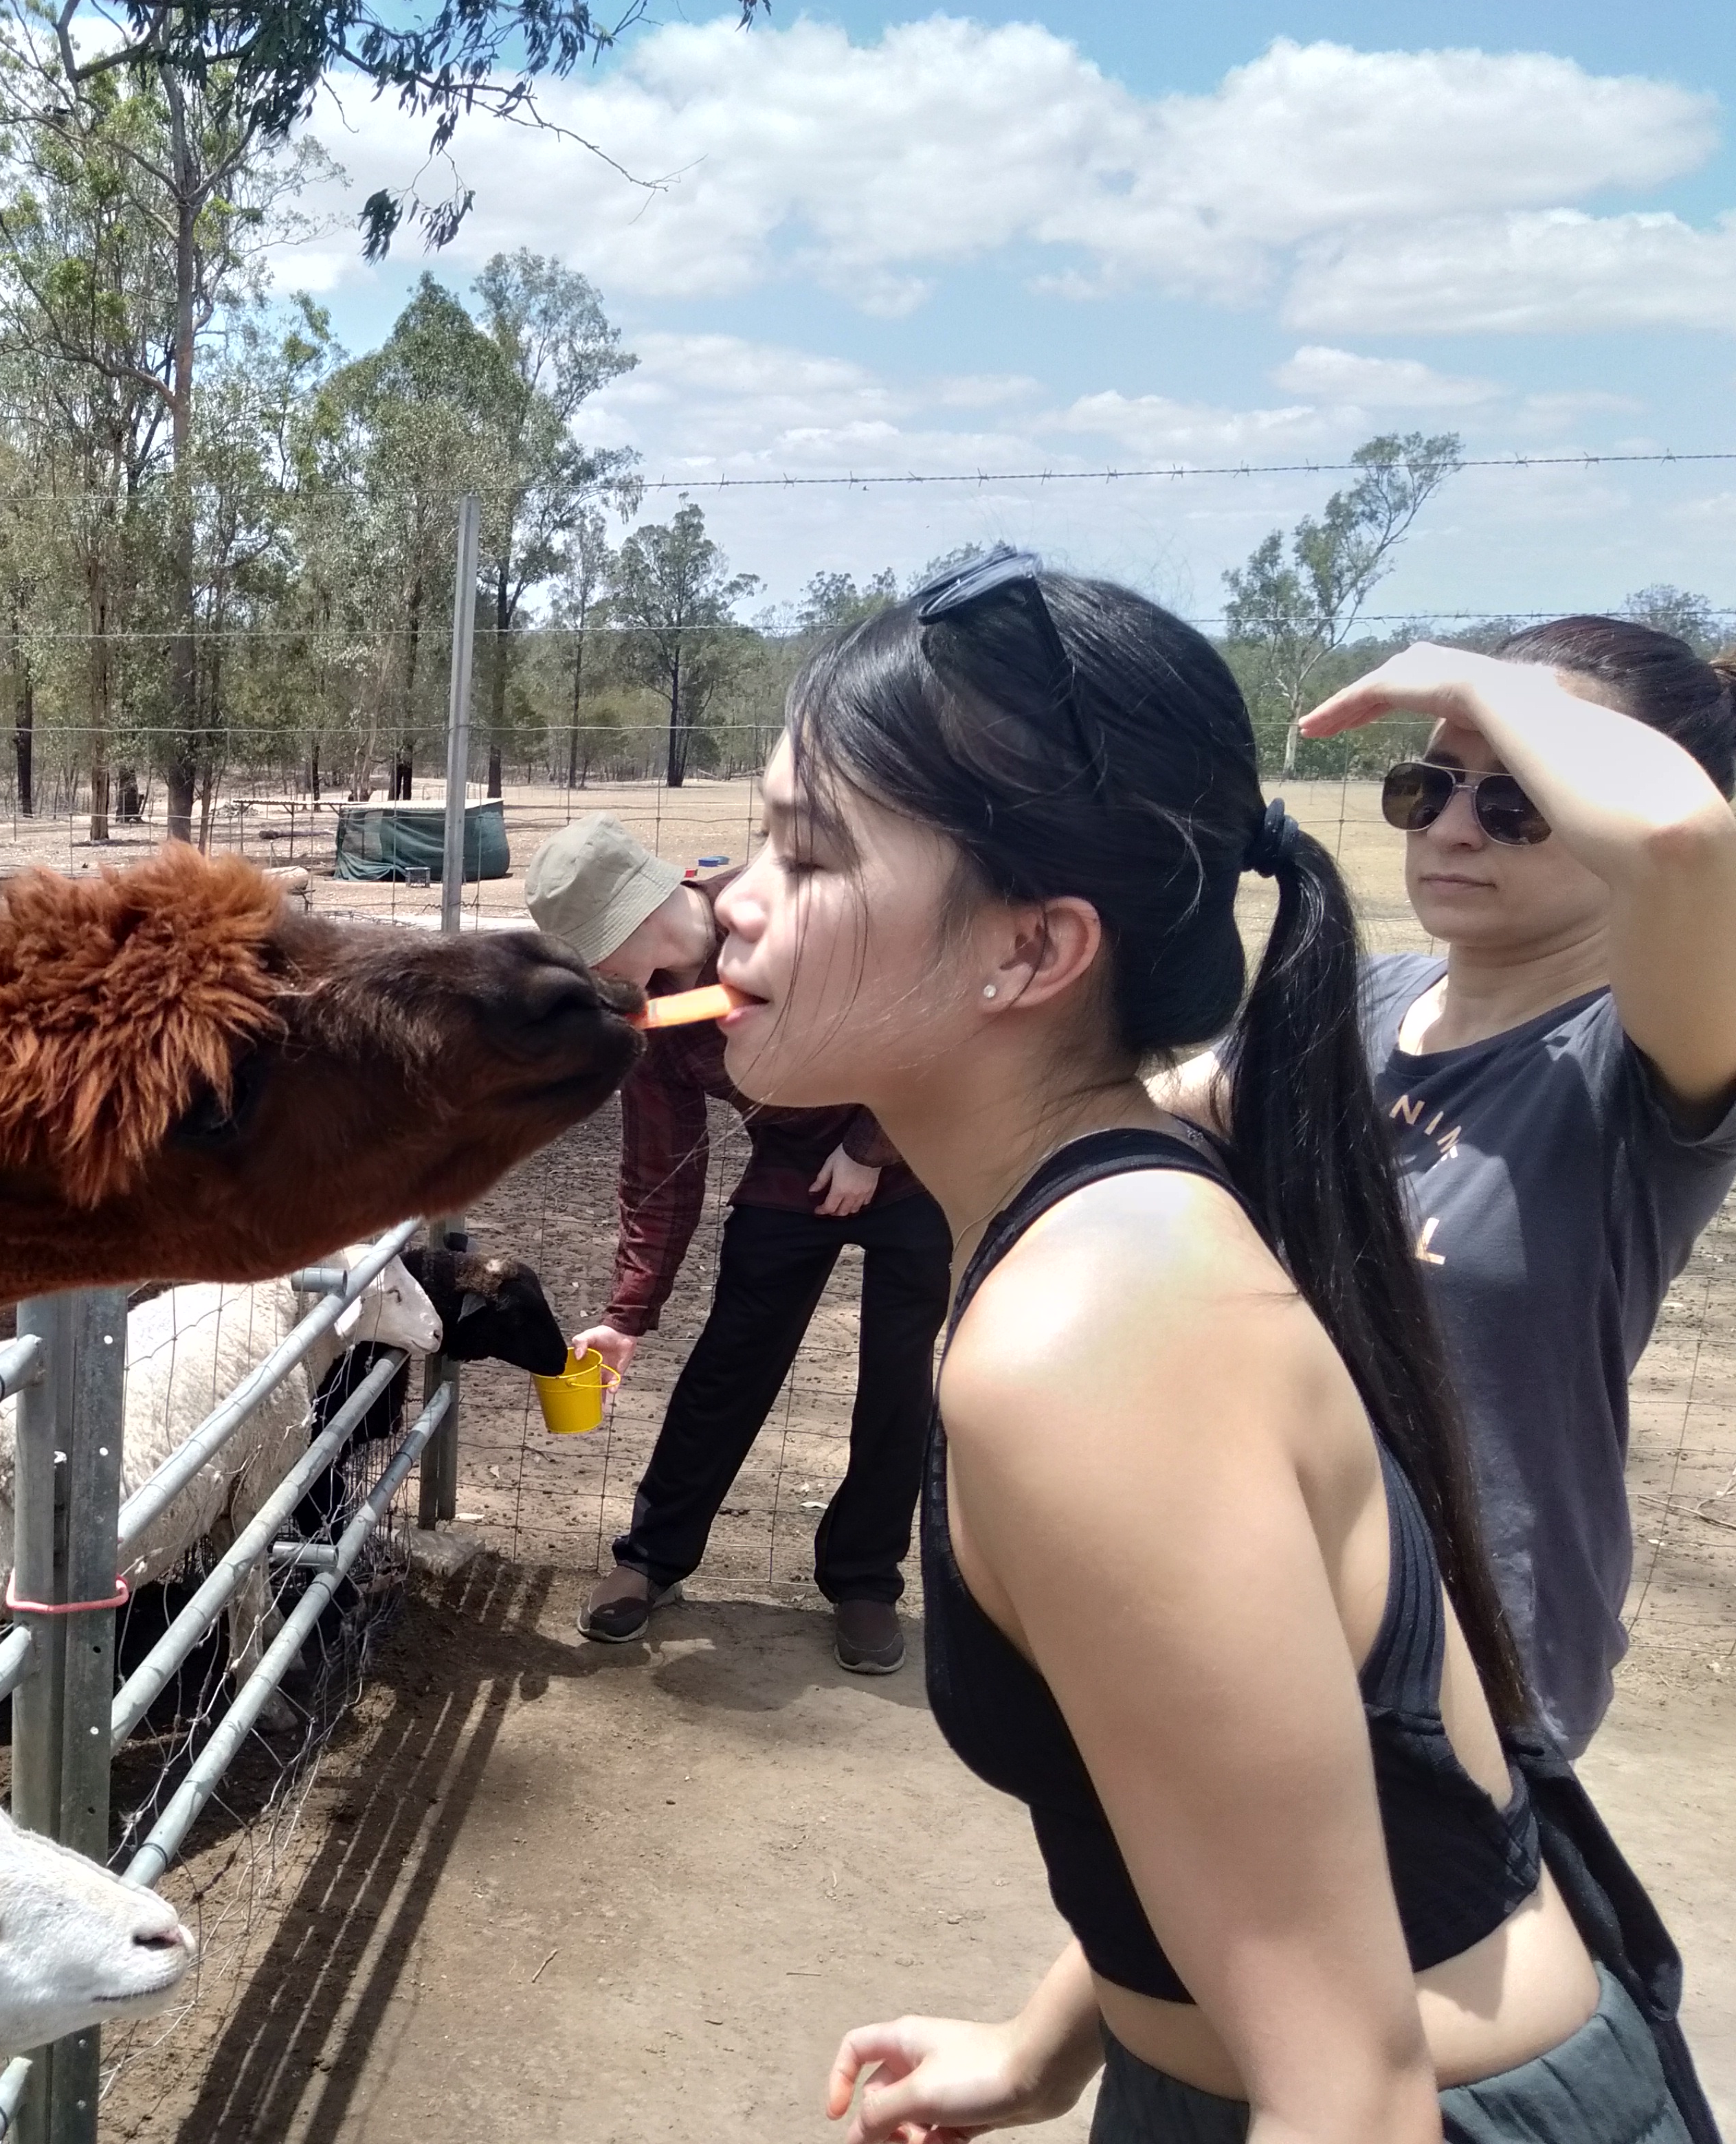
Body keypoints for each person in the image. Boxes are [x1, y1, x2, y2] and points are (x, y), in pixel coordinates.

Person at [708, 550, 1680, 2141]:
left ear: (1030, 953)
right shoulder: (1092, 1231)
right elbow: (1254, 1803)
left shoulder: (1091, 1338)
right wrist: (1044, 2049)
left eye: (806, 852)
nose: (734, 896)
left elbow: (1352, 2097)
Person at [1244, 627, 1736, 1757]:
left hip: (1472, 1656)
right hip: (1274, 1606)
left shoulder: (1638, 1061)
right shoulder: (1368, 1000)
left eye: (1518, 800)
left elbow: (1677, 839)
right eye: (1428, 786)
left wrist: (1479, 681)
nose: (1454, 827)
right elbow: (1140, 1114)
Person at [524, 814, 951, 1670]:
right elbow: (658, 1169)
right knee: (728, 1365)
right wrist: (627, 1315)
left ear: (633, 919)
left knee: (897, 1380)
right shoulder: (648, 1011)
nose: (598, 978)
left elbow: (923, 1026)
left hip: (913, 1159)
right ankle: (649, 1560)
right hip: (790, 1175)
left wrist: (869, 1148)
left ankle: (864, 1581)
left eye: (595, 953)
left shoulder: (785, 916)